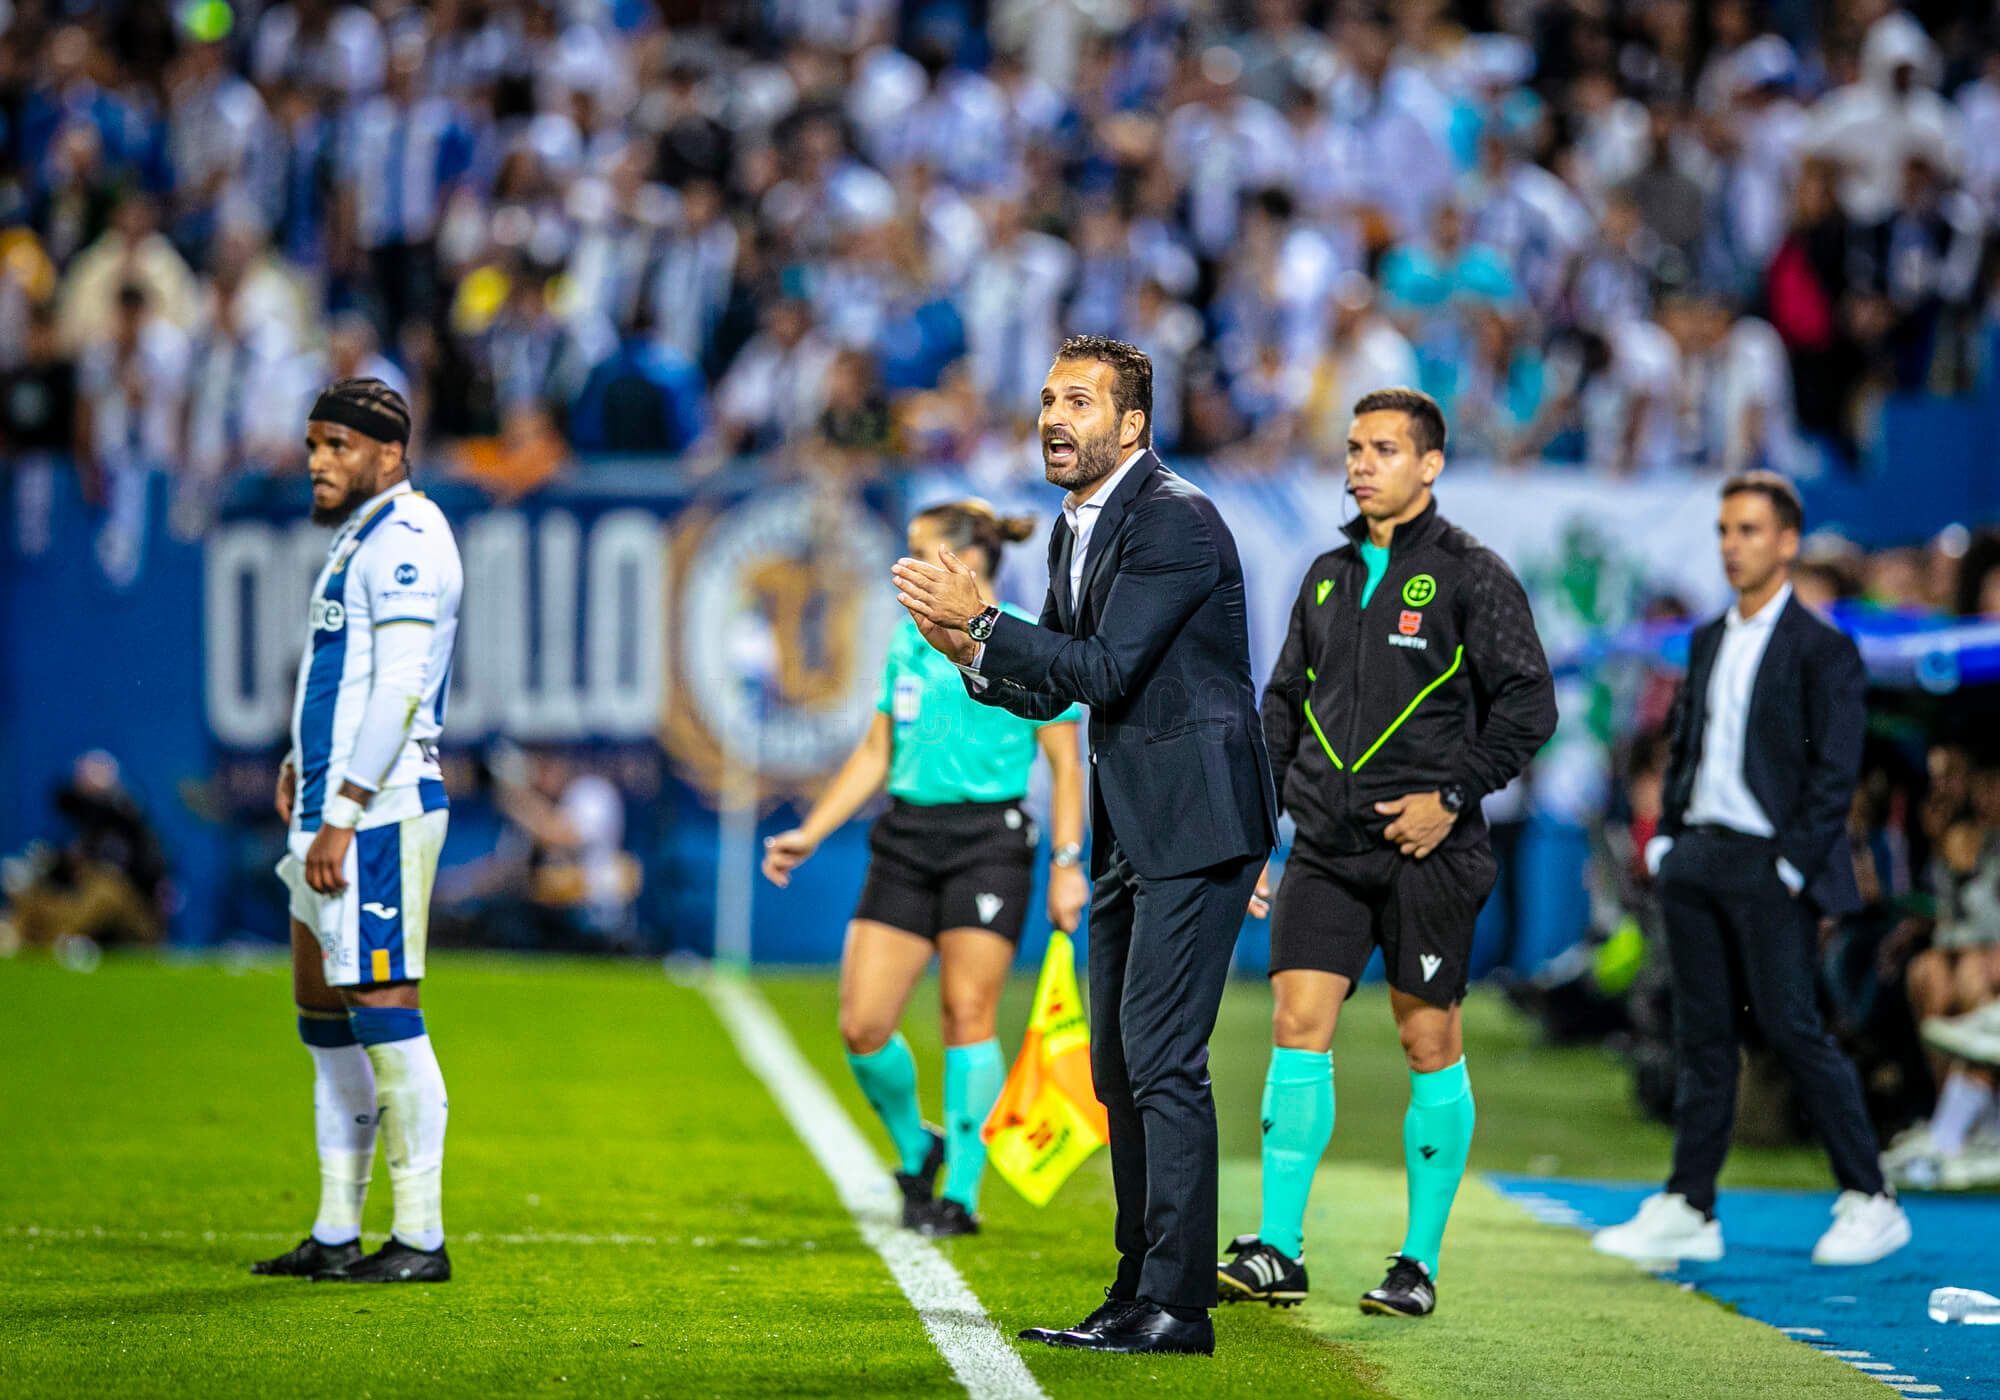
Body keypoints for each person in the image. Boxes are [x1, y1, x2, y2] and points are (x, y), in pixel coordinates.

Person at [892, 335, 1277, 1357]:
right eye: (1046, 399)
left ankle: (1177, 1305)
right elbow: (1055, 681)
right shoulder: (1076, 527)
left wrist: (987, 613)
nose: (1053, 418)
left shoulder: (1176, 521)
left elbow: (1103, 668)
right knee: (1115, 1063)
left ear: (1133, 422)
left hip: (1194, 822)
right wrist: (969, 649)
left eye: (1077, 401)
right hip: (1131, 823)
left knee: (1159, 1059)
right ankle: (1134, 1286)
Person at [1220, 387, 1556, 1318]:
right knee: (1297, 1022)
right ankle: (1278, 1248)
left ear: (1430, 464)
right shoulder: (1325, 573)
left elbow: (1531, 704)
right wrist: (1258, 831)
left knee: (1428, 1038)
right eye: (1356, 447)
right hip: (1324, 847)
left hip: (1426, 854)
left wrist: (1452, 798)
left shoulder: (1470, 575)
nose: (1362, 463)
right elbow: (1281, 706)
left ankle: (1417, 1261)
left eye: (1384, 449)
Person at [1593, 472, 1911, 1268]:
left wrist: (1794, 870)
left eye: (1750, 531)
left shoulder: (1824, 648)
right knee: (1700, 1035)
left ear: (1788, 541)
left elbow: (1835, 774)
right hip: (1698, 855)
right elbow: (1686, 752)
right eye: (1726, 531)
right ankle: (1691, 1206)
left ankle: (1870, 1196)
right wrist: (1667, 840)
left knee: (1791, 1027)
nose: (1734, 546)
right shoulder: (1706, 640)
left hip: (1770, 865)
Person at [762, 499, 1089, 1237]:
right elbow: (877, 751)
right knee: (863, 1025)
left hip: (990, 841)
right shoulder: (908, 642)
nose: (903, 566)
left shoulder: (1026, 643)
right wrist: (811, 831)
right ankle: (919, 1145)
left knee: (965, 1015)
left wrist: (1069, 864)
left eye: (920, 551)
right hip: (906, 836)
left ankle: (961, 1196)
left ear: (965, 562)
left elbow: (1066, 767)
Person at [251, 378, 463, 1285]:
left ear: (389, 450)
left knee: (387, 1013)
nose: (318, 462)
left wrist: (340, 813)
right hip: (332, 806)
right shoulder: (362, 535)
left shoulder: (411, 537)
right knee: (324, 1014)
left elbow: (400, 685)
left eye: (338, 446)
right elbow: (350, 673)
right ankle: (337, 1230)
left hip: (376, 812)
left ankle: (419, 1237)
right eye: (312, 445)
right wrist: (305, 764)